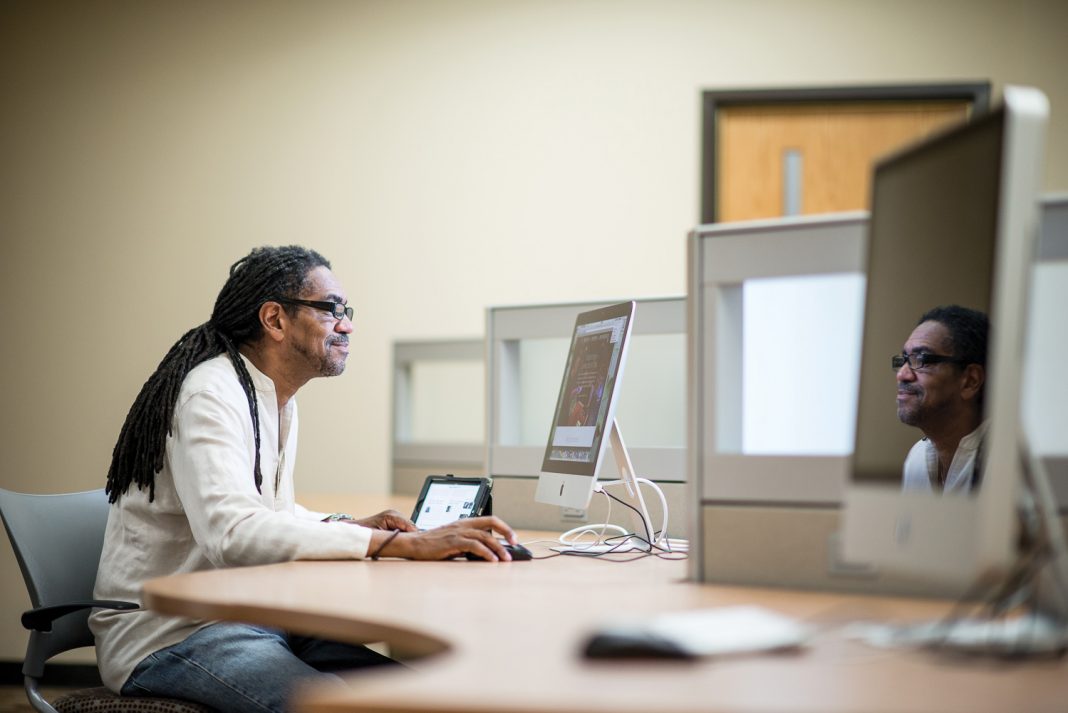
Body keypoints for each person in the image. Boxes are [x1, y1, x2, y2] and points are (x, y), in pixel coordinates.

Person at [90, 246, 519, 713]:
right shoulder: (209, 395)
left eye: (347, 311)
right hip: (171, 635)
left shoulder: (274, 396)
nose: (348, 324)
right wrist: (389, 545)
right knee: (343, 707)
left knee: (424, 696)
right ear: (275, 319)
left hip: (250, 617)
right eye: (332, 310)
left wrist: (354, 526)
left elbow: (265, 512)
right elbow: (230, 533)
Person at [894, 305, 989, 493]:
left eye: (922, 359)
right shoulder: (917, 459)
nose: (902, 375)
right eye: (904, 359)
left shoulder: (1006, 466)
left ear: (970, 381)